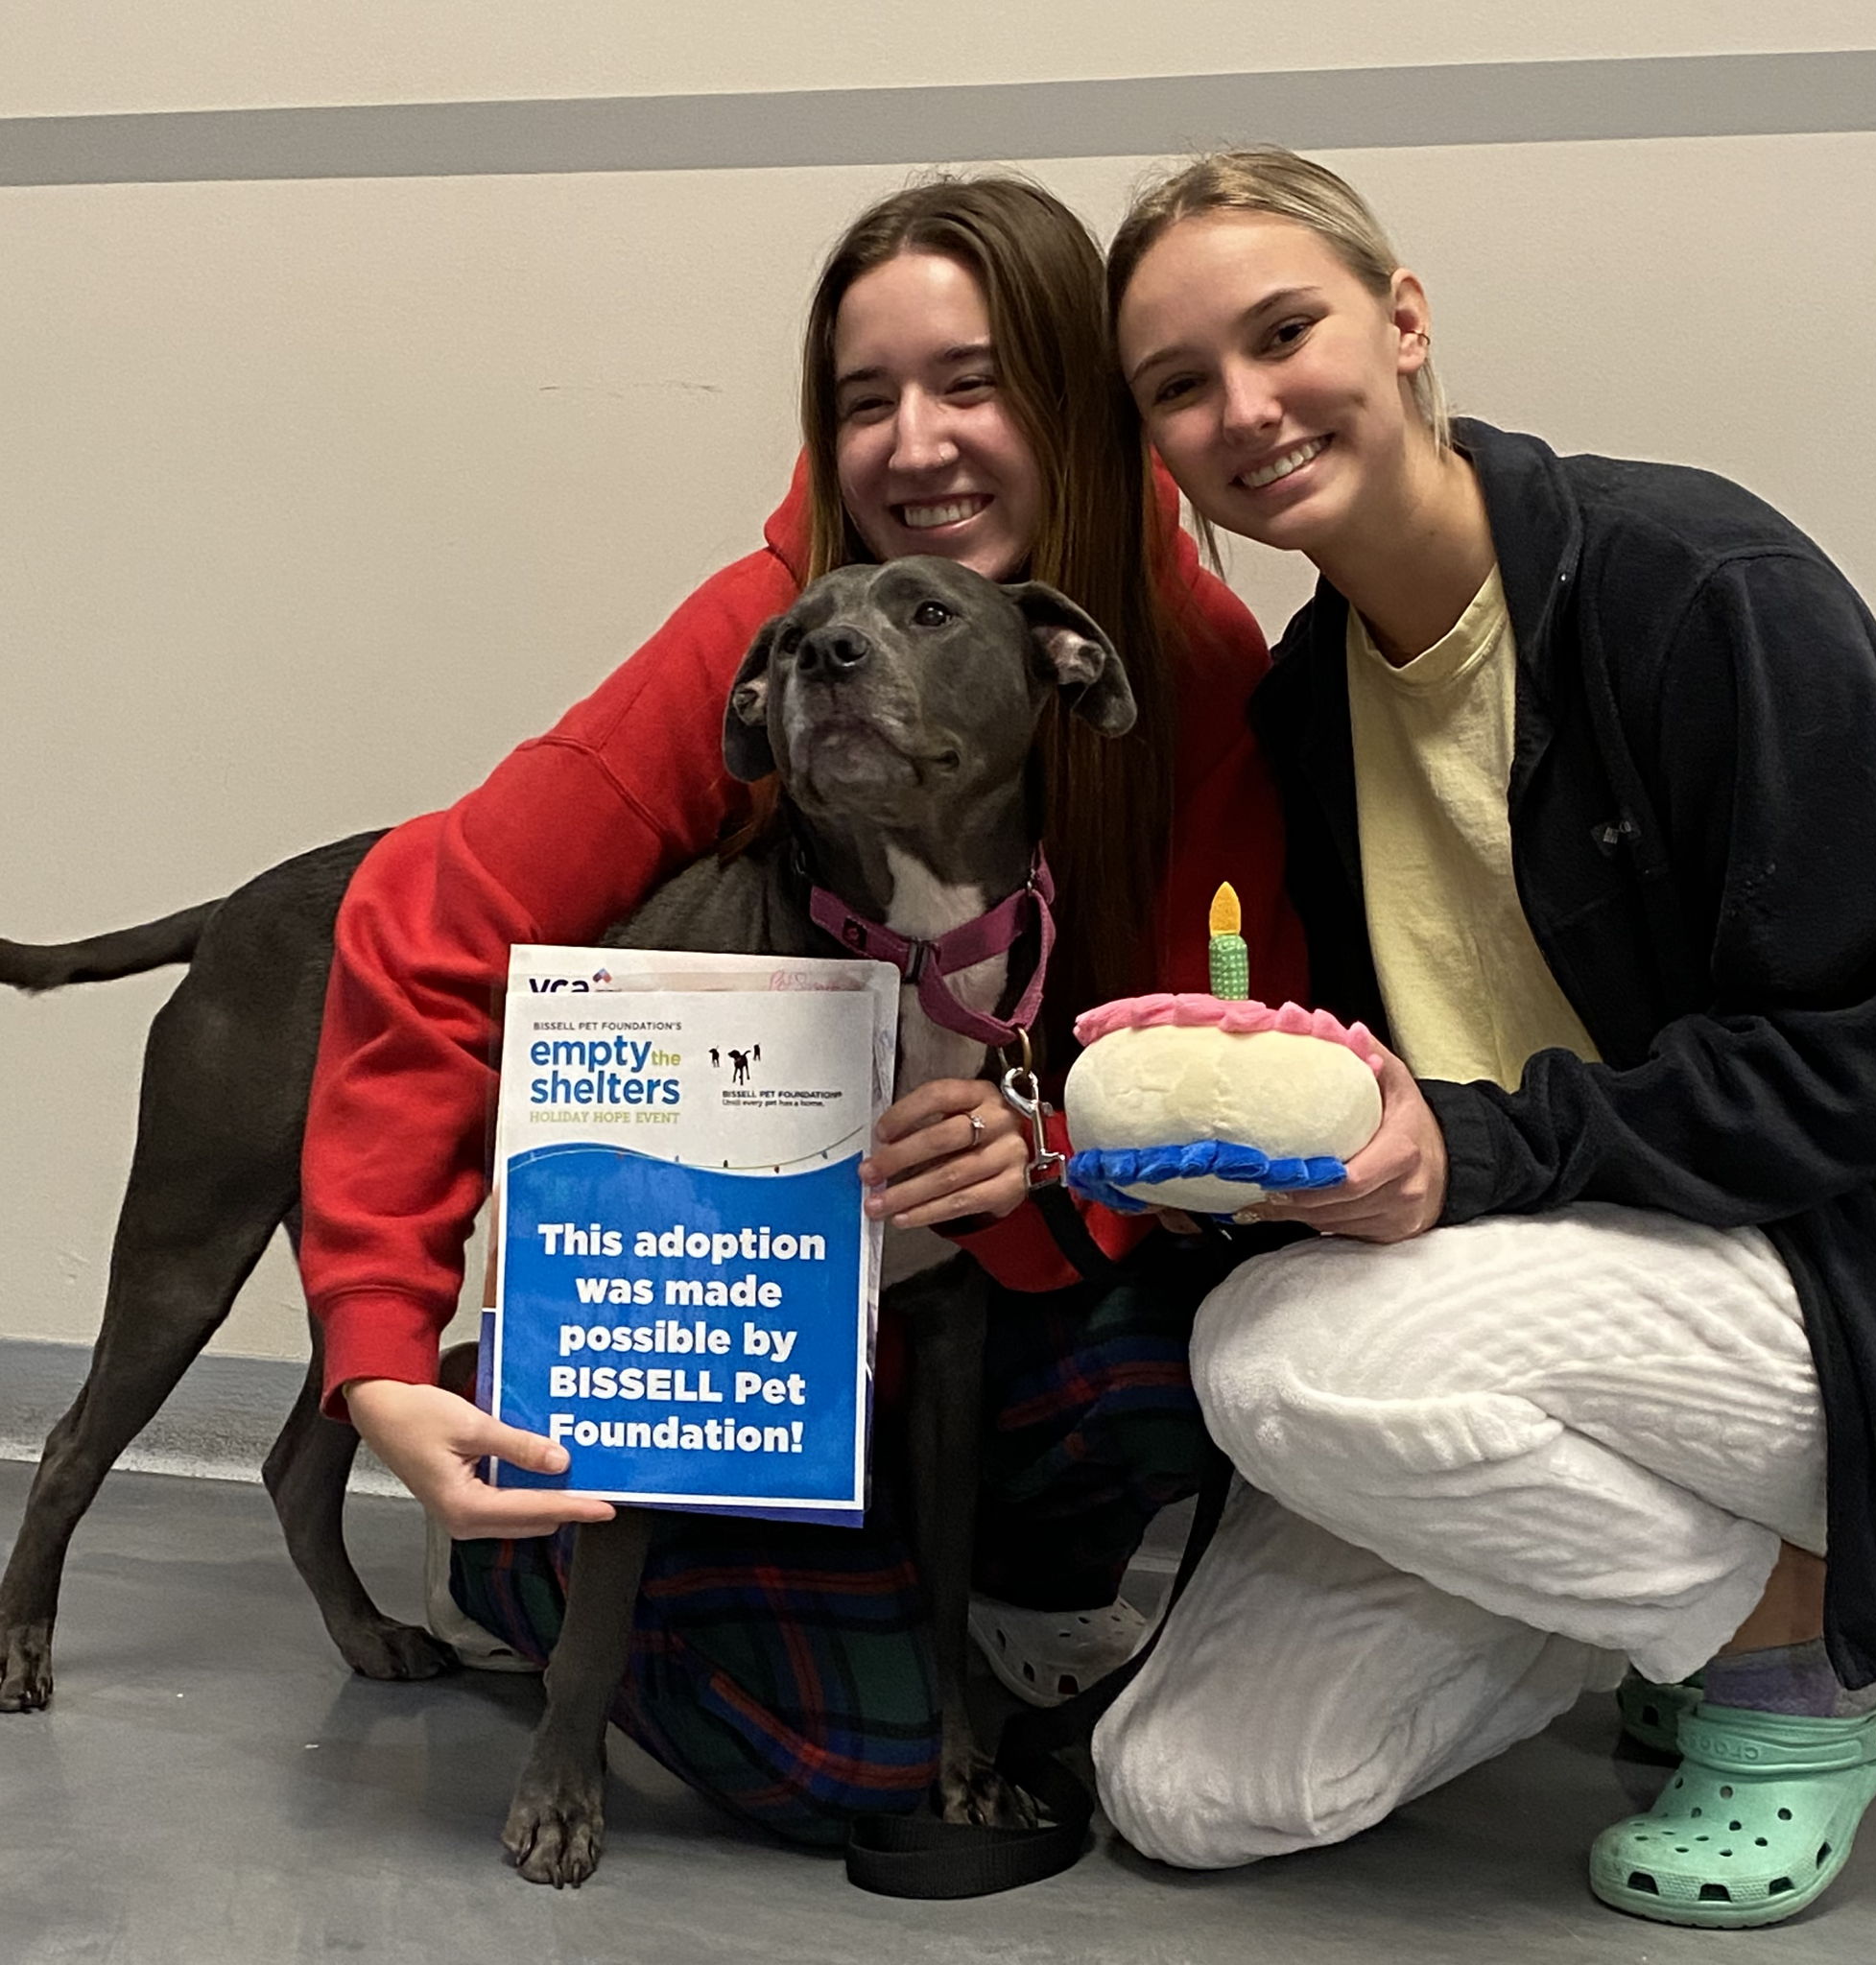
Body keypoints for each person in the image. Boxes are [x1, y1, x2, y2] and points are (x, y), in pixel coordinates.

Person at [297, 174, 1308, 1844]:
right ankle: (544, 1577)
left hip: (991, 1280)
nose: (916, 446)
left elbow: (1245, 1038)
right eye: (865, 400)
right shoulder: (776, 624)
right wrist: (384, 1350)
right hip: (729, 1330)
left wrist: (1052, 1145)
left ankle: (952, 1586)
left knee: (1186, 1361)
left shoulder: (1176, 657)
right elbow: (430, 925)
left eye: (972, 383)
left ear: (1072, 389)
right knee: (856, 1769)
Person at [1093, 146, 1876, 1929]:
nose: (1245, 409)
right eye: (1182, 386)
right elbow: (1392, 1084)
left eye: (1284, 332)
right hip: (1556, 1308)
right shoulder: (1302, 711)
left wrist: (1467, 1157)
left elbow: (1867, 1062)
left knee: (1276, 1367)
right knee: (1182, 1791)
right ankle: (1660, 1588)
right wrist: (1249, 1145)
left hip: (1859, 1278)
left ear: (1404, 323)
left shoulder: (1702, 586)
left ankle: (1803, 1658)